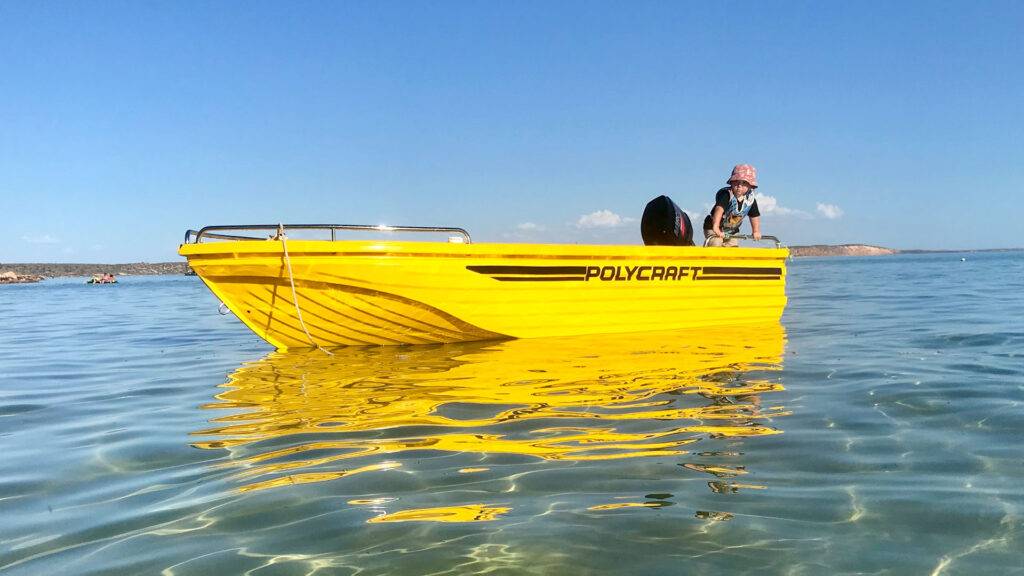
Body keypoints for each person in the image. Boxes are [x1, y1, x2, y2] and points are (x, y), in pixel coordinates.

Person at [704, 164, 762, 247]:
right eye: (736, 182)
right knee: (716, 242)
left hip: (732, 230)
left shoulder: (750, 200)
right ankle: (709, 256)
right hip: (713, 226)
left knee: (733, 246)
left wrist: (756, 231)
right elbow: (719, 209)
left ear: (750, 186)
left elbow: (754, 216)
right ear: (731, 182)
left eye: (744, 183)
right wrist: (716, 226)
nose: (739, 186)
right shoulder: (727, 195)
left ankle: (728, 259)